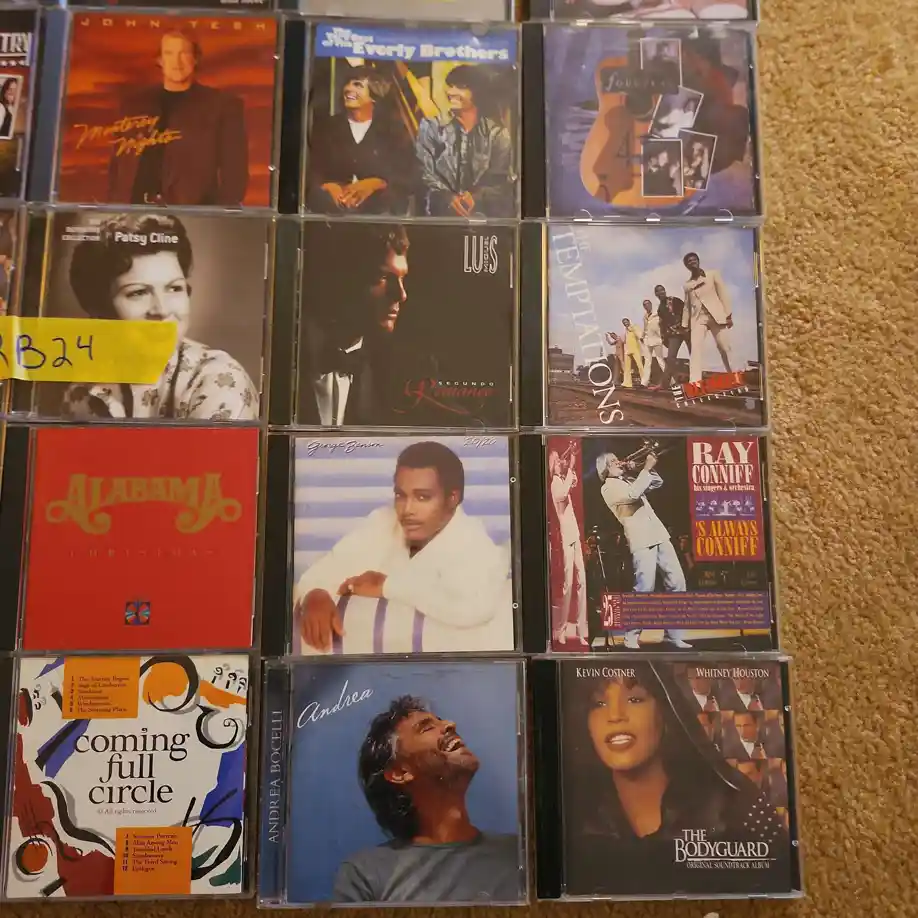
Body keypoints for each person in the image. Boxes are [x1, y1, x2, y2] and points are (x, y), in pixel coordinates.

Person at [564, 664, 789, 896]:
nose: (615, 716)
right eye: (598, 704)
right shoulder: (572, 819)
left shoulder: (734, 803)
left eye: (635, 700)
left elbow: (779, 878)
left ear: (666, 710)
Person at [292, 441, 512, 655]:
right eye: (400, 495)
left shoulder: (474, 541)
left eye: (422, 497)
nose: (407, 510)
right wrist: (316, 594)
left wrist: (386, 586)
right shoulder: (384, 521)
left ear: (452, 498)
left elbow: (475, 607)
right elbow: (329, 567)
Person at [59, 213, 258, 420]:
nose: (162, 310)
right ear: (99, 309)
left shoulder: (219, 378)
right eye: (138, 292)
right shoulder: (83, 390)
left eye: (174, 288)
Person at [333, 696, 520, 903]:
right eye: (426, 727)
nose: (450, 724)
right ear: (400, 772)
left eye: (440, 721)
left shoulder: (521, 855)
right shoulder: (365, 874)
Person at [298, 223, 434, 426]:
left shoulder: (394, 376)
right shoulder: (282, 352)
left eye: (402, 278)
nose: (401, 294)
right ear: (344, 278)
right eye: (382, 277)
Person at [107, 30, 248, 206]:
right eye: (169, 53)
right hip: (135, 211)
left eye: (184, 53)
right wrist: (115, 208)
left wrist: (216, 215)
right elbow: (118, 166)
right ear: (160, 60)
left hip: (194, 212)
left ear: (195, 58)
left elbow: (235, 174)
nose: (177, 61)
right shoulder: (133, 105)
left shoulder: (223, 106)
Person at [596, 449, 690, 649]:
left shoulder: (629, 479)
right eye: (613, 461)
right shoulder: (608, 488)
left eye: (617, 459)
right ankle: (631, 635)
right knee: (645, 588)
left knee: (677, 582)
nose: (619, 462)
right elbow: (633, 495)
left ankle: (673, 635)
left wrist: (640, 468)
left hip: (659, 534)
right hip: (641, 539)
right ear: (605, 468)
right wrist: (645, 468)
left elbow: (658, 483)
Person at [306, 66, 415, 215]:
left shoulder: (393, 131)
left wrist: (377, 183)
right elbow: (312, 170)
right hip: (331, 216)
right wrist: (328, 186)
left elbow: (407, 177)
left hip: (379, 218)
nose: (348, 89)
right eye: (348, 84)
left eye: (357, 85)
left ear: (374, 96)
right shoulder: (326, 127)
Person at [415, 65, 514, 218]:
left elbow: (500, 183)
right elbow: (423, 174)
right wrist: (447, 197)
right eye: (450, 86)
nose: (451, 92)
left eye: (461, 87)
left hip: (482, 220)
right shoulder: (431, 127)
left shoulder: (498, 135)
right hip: (438, 218)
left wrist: (475, 197)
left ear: (478, 92)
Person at [549, 447, 588, 647]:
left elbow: (574, 483)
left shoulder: (563, 479)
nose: (560, 463)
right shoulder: (555, 484)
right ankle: (562, 629)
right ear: (551, 467)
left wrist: (571, 464)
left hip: (575, 536)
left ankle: (582, 631)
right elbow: (563, 494)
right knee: (569, 585)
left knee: (582, 582)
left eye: (560, 461)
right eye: (557, 461)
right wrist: (570, 466)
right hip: (566, 538)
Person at [681, 251, 733, 384]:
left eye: (694, 259)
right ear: (687, 266)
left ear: (698, 261)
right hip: (698, 318)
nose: (692, 262)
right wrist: (684, 325)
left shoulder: (712, 274)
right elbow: (686, 306)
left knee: (724, 346)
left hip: (716, 315)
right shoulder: (687, 285)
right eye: (689, 261)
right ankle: (695, 382)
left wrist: (728, 314)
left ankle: (733, 375)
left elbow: (723, 293)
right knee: (695, 349)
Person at [652, 283, 689, 391]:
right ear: (656, 294)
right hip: (674, 334)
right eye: (658, 291)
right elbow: (663, 325)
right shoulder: (660, 309)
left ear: (665, 291)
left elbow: (686, 311)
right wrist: (665, 338)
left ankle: (698, 380)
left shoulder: (675, 300)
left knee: (695, 354)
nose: (660, 292)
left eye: (662, 290)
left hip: (686, 330)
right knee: (670, 358)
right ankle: (664, 384)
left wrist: (687, 325)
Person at [639, 299, 665, 386]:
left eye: (648, 304)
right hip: (647, 340)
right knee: (647, 362)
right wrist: (642, 336)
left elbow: (662, 325)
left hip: (657, 340)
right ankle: (644, 382)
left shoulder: (657, 314)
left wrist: (663, 335)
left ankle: (671, 380)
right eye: (644, 305)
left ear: (651, 304)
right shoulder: (645, 316)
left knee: (660, 360)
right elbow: (645, 328)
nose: (646, 306)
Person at [620, 318, 644, 389]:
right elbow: (624, 340)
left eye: (626, 322)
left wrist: (641, 338)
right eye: (624, 323)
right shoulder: (625, 330)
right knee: (627, 368)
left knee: (640, 365)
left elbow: (639, 334)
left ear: (629, 321)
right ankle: (627, 383)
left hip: (635, 349)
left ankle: (644, 381)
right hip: (628, 350)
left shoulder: (634, 326)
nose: (625, 324)